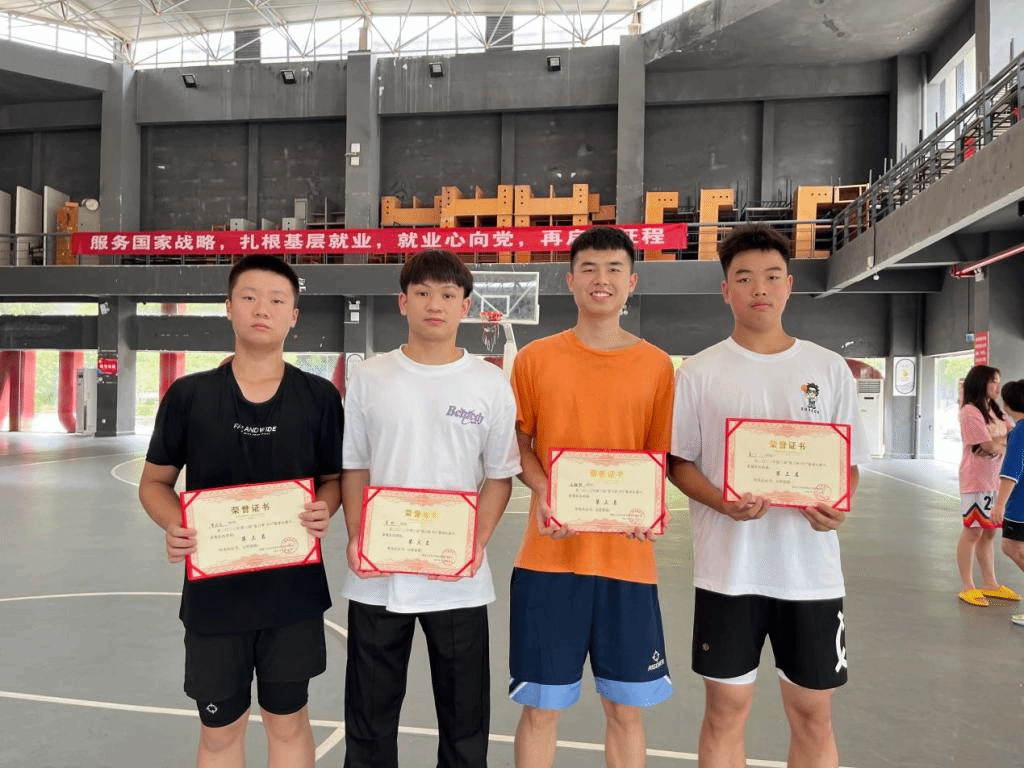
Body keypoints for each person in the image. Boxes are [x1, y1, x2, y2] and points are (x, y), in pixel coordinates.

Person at [669, 223, 869, 768]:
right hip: (728, 573)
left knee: (812, 714)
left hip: (811, 576)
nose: (759, 288)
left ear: (789, 285)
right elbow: (678, 462)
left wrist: (838, 505)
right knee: (725, 712)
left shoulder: (828, 368)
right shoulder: (699, 372)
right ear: (725, 290)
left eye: (772, 276)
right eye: (744, 277)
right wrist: (721, 502)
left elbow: (848, 465)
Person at [139, 255, 343, 768]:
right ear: (228, 307)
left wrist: (326, 507)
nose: (262, 309)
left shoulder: (320, 398)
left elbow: (333, 479)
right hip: (215, 598)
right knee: (220, 733)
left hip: (292, 594)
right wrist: (175, 523)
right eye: (249, 297)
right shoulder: (189, 395)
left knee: (289, 723)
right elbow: (155, 483)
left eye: (276, 300)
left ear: (294, 315)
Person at [340, 249, 520, 768]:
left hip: (457, 578)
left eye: (447, 294)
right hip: (377, 577)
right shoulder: (370, 376)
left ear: (466, 306)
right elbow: (354, 465)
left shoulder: (488, 384)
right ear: (403, 302)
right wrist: (357, 536)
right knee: (369, 720)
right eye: (422, 293)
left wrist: (474, 544)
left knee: (465, 724)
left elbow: (500, 476)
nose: (434, 304)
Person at [509, 226, 674, 768]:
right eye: (589, 269)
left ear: (632, 282)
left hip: (628, 563)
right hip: (548, 560)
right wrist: (544, 490)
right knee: (540, 709)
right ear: (570, 280)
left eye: (613, 269)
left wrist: (648, 510)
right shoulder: (535, 359)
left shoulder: (657, 365)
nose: (601, 280)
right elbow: (519, 444)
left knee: (625, 710)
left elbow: (657, 456)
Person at [955, 365, 1019, 606]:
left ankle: (990, 582)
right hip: (975, 480)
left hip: (995, 479)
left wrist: (998, 441)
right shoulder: (970, 412)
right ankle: (967, 585)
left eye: (998, 381)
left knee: (990, 531)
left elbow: (1010, 438)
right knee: (973, 531)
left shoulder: (996, 411)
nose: (997, 386)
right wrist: (1000, 442)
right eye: (993, 381)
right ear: (980, 383)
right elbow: (987, 446)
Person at [993, 379, 1024, 624]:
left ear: (1007, 404)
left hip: (1020, 504)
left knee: (1012, 548)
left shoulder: (1020, 431)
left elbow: (1012, 470)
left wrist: (1000, 503)